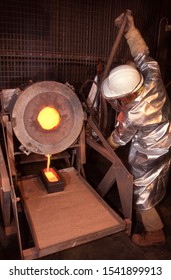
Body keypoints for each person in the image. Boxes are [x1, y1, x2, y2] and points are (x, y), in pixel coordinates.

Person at [102, 12, 171, 246]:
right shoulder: (152, 77)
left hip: (151, 149)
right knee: (157, 178)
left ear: (128, 94)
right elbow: (142, 53)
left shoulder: (133, 114)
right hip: (167, 135)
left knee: (142, 191)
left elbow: (119, 139)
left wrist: (103, 142)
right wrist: (130, 30)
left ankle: (155, 232)